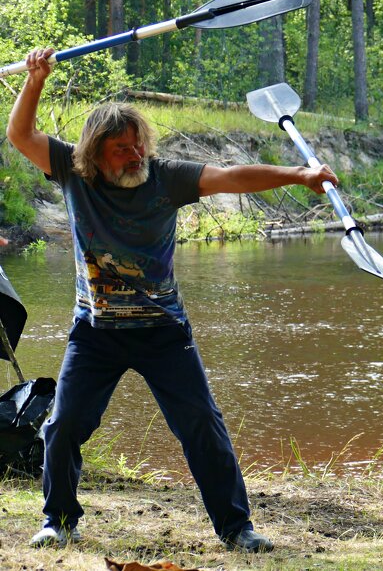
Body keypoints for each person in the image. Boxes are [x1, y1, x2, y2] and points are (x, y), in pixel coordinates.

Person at [7, 47, 337, 552]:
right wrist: (35, 79)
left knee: (201, 423)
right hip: (96, 333)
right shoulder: (72, 171)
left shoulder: (167, 177)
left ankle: (236, 528)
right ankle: (58, 520)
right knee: (64, 423)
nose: (135, 155)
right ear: (94, 152)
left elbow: (233, 176)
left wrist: (299, 175)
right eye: (121, 149)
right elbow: (20, 135)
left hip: (163, 331)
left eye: (138, 145)